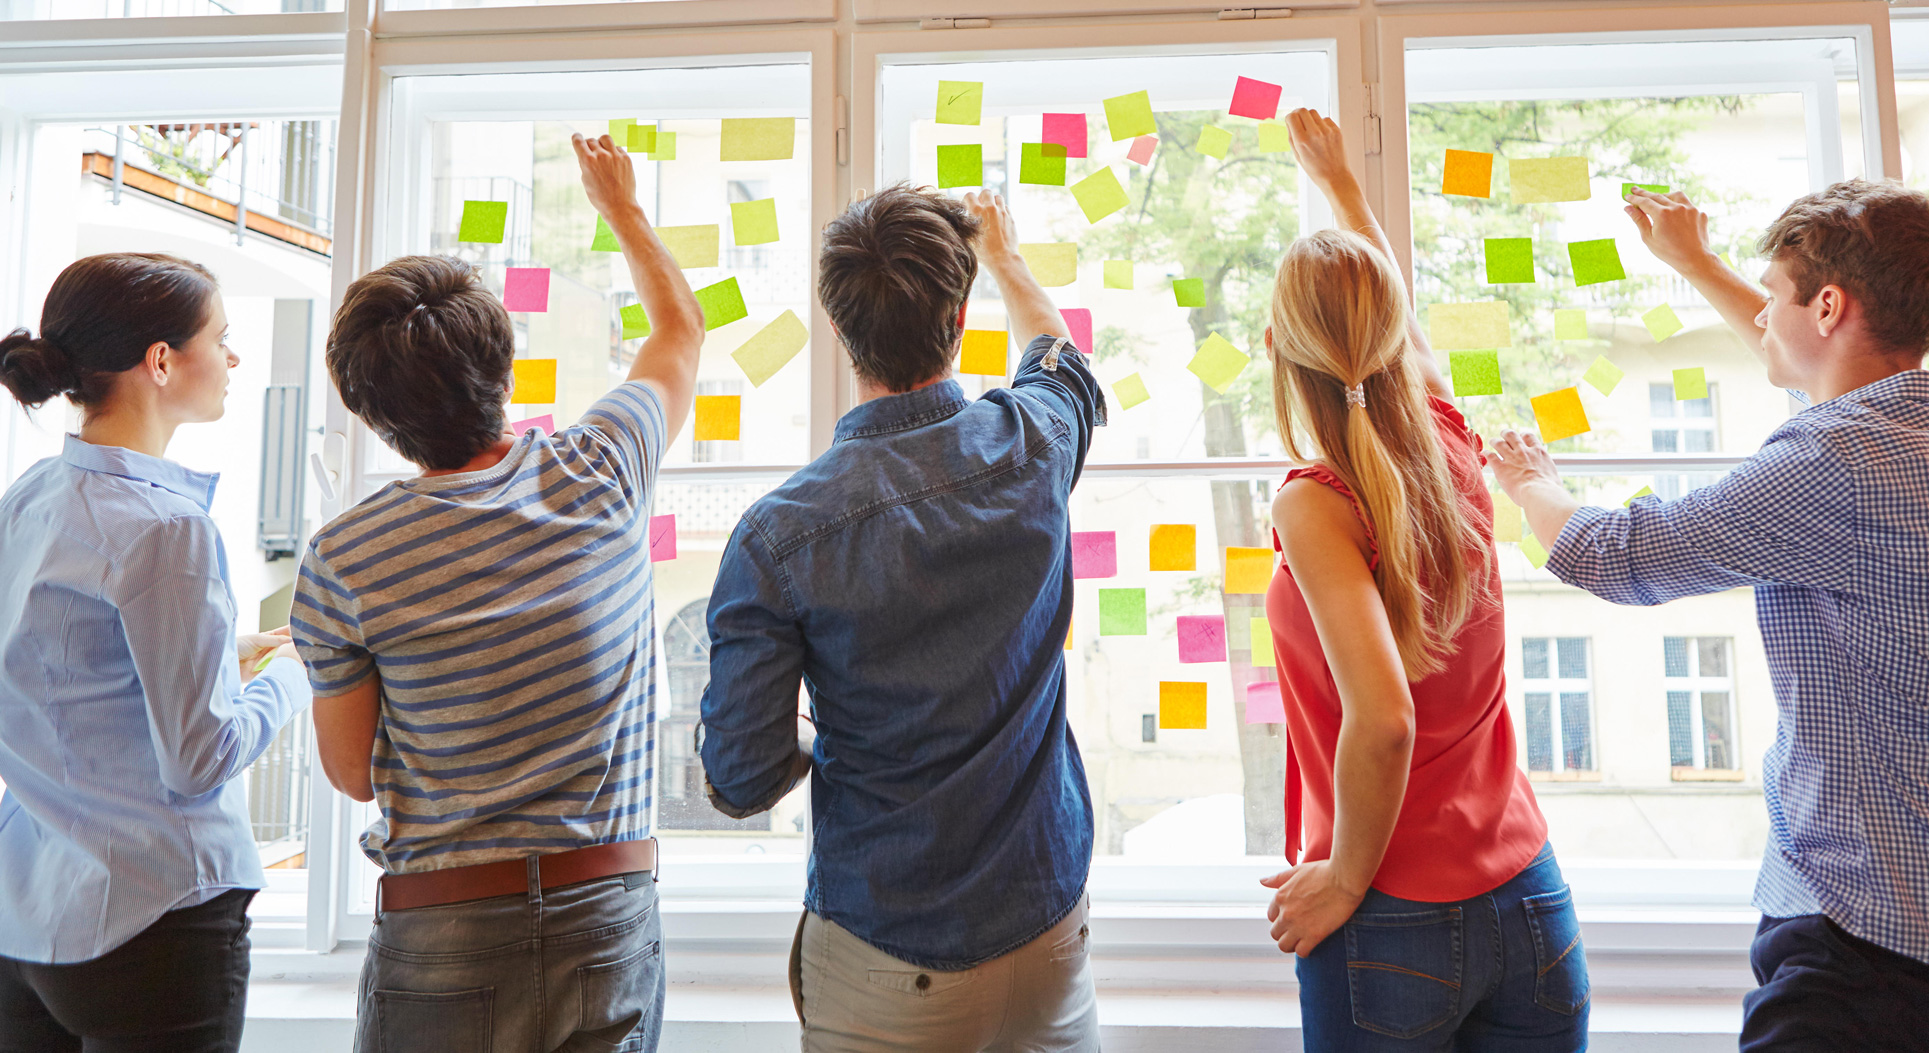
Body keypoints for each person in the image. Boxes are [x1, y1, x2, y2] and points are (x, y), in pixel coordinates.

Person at [1487, 179, 1929, 1050]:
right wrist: (1699, 265)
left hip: (1868, 942)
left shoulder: (1835, 465)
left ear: (1829, 304)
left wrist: (1530, 481)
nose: (1761, 313)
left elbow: (1621, 555)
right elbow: (1828, 372)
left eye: (1772, 294)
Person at [288, 134, 704, 1053]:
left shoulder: (344, 559)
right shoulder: (601, 467)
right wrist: (621, 208)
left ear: (376, 417)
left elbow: (352, 772)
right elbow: (680, 330)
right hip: (606, 907)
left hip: (441, 927)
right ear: (504, 366)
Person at [700, 184, 1104, 1052]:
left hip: (885, 959)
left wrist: (839, 742)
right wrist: (1004, 256)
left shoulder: (779, 534)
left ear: (839, 329)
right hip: (1047, 941)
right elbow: (1059, 353)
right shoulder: (1031, 442)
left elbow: (738, 778)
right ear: (960, 317)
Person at [1260, 110, 1586, 1052]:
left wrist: (1345, 878)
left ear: (1277, 344)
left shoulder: (1316, 503)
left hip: (1390, 915)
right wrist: (1344, 190)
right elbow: (1393, 311)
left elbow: (1387, 714)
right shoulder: (1449, 435)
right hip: (1531, 897)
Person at [0, 253, 308, 1053]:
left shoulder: (31, 497)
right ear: (162, 360)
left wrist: (221, 654)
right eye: (222, 337)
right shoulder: (167, 528)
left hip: (29, 921)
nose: (235, 358)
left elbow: (54, 670)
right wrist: (295, 674)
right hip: (156, 918)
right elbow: (201, 760)